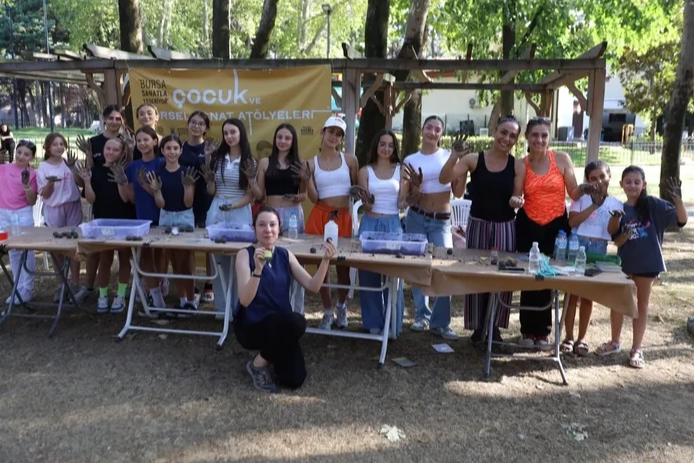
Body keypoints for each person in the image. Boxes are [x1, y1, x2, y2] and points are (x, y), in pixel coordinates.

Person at [439, 116, 524, 344]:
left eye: (512, 136)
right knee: (476, 275)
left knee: (502, 277)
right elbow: (445, 178)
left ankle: (494, 328)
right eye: (503, 132)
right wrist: (455, 155)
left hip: (505, 227)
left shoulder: (517, 165)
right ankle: (478, 327)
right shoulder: (474, 159)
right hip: (478, 225)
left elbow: (516, 194)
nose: (506, 138)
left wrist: (516, 200)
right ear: (494, 131)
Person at [234, 206, 336, 392]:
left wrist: (325, 260)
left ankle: (269, 357)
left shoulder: (284, 255)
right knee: (297, 322)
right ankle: (258, 364)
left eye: (272, 225)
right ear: (254, 228)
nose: (268, 229)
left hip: (282, 326)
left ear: (279, 228)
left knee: (295, 379)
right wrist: (258, 270)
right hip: (253, 325)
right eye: (262, 225)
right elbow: (245, 300)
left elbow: (313, 286)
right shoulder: (244, 255)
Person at [595, 167, 687, 368]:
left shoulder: (653, 205)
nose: (632, 186)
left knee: (642, 305)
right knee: (618, 303)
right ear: (621, 184)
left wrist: (678, 200)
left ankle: (636, 349)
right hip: (625, 264)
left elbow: (681, 221)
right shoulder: (619, 208)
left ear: (644, 185)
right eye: (628, 182)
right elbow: (617, 241)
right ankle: (615, 342)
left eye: (637, 182)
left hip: (648, 263)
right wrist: (622, 230)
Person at [516, 117, 595, 349]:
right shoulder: (521, 164)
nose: (539, 139)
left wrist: (586, 188)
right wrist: (514, 200)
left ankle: (543, 332)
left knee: (549, 276)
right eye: (535, 135)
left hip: (556, 227)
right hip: (528, 225)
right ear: (527, 137)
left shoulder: (561, 159)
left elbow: (573, 192)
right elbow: (516, 194)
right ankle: (526, 331)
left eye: (544, 135)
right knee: (529, 276)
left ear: (549, 137)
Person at [401, 115, 465, 340]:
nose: (432, 132)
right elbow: (408, 196)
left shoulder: (449, 156)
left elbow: (458, 192)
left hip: (441, 220)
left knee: (443, 269)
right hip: (416, 217)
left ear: (441, 134)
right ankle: (422, 315)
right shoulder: (410, 158)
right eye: (429, 127)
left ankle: (441, 323)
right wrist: (416, 188)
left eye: (437, 129)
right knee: (418, 266)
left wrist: (462, 166)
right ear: (422, 129)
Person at [561, 160, 623, 356]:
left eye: (602, 177)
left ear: (609, 177)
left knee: (588, 296)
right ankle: (568, 337)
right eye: (593, 178)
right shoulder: (581, 199)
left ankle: (582, 338)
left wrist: (615, 218)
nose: (598, 181)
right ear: (587, 181)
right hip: (577, 244)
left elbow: (612, 231)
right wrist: (593, 206)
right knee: (572, 294)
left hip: (599, 248)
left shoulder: (616, 204)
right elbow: (572, 222)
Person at [304, 116, 358, 330]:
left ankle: (342, 306)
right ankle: (327, 310)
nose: (334, 137)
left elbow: (356, 189)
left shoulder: (350, 160)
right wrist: (306, 179)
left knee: (344, 266)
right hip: (320, 216)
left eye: (338, 134)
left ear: (342, 138)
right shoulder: (311, 163)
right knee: (322, 267)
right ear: (322, 132)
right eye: (331, 132)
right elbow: (313, 198)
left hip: (343, 216)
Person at [352, 129, 407, 335]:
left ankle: (393, 325)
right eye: (382, 144)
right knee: (368, 275)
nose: (386, 148)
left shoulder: (401, 170)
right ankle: (373, 323)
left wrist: (412, 196)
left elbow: (401, 202)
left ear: (395, 148)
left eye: (390, 145)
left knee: (394, 275)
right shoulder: (365, 171)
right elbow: (366, 206)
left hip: (392, 224)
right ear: (376, 146)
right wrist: (367, 202)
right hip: (369, 224)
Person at [251, 123, 308, 314]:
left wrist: (297, 195)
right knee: (271, 259)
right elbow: (260, 195)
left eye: (287, 138)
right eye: (280, 137)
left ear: (293, 141)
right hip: (271, 214)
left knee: (295, 260)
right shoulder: (265, 162)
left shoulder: (300, 163)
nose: (283, 141)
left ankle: (296, 310)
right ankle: (272, 307)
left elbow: (304, 195)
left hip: (293, 215)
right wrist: (250, 180)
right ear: (275, 139)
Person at [202, 118, 256, 318]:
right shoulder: (216, 158)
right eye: (226, 133)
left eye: (233, 132)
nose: (229, 136)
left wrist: (232, 206)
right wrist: (209, 182)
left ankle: (239, 307)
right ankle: (222, 309)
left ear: (241, 133)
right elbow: (211, 190)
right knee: (218, 260)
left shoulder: (249, 160)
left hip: (239, 210)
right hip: (217, 208)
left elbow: (251, 195)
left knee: (239, 260)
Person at [75, 138, 135, 313]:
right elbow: (91, 199)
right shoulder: (95, 171)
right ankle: (102, 295)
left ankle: (120, 295)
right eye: (108, 148)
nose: (111, 152)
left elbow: (127, 199)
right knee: (105, 259)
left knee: (124, 257)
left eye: (116, 150)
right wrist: (87, 181)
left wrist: (121, 180)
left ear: (122, 152)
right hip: (103, 220)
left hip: (124, 220)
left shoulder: (126, 169)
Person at [76, 104, 126, 302]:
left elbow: (127, 171)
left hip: (123, 211)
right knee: (99, 254)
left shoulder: (126, 142)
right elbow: (89, 173)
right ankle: (93, 289)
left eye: (118, 118)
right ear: (104, 119)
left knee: (124, 255)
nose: (114, 121)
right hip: (101, 208)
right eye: (111, 118)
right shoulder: (94, 142)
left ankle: (123, 292)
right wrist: (83, 173)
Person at [145, 135, 199, 315]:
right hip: (166, 217)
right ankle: (182, 300)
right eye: (168, 148)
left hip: (184, 217)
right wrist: (156, 191)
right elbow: (160, 204)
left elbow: (189, 203)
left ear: (181, 151)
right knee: (173, 260)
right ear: (162, 151)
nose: (172, 152)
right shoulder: (157, 173)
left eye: (175, 148)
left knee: (185, 260)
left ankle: (191, 301)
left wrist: (188, 188)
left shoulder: (187, 172)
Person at [37, 133, 88, 303]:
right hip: (54, 208)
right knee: (57, 247)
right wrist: (51, 183)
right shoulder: (43, 168)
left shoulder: (70, 163)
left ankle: (75, 283)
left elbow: (81, 183)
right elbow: (44, 194)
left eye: (61, 144)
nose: (59, 147)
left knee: (74, 246)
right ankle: (61, 284)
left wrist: (73, 168)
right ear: (47, 148)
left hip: (72, 205)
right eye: (55, 144)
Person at [124, 126, 167, 310]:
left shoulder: (162, 163)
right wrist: (122, 183)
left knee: (161, 255)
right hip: (142, 218)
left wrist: (146, 185)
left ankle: (160, 285)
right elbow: (131, 198)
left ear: (155, 141)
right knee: (146, 257)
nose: (142, 143)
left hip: (162, 216)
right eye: (139, 140)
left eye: (146, 140)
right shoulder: (132, 166)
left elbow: (163, 194)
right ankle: (155, 297)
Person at [181, 111, 215, 304]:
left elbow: (212, 175)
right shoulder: (180, 147)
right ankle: (191, 284)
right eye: (193, 122)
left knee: (209, 245)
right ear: (188, 125)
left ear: (206, 128)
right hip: (184, 202)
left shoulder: (210, 148)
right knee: (188, 246)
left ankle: (210, 283)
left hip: (206, 200)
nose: (196, 126)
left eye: (201, 123)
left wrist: (209, 157)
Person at [0, 139, 38, 304]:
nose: (21, 156)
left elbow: (32, 201)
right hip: (3, 215)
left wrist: (26, 186)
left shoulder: (32, 174)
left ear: (32, 157)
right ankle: (18, 288)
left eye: (26, 154)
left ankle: (28, 288)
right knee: (11, 251)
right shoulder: (3, 168)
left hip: (22, 214)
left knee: (25, 251)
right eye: (19, 152)